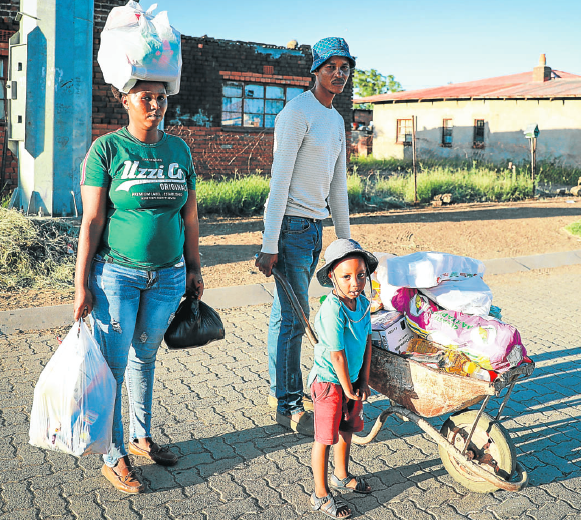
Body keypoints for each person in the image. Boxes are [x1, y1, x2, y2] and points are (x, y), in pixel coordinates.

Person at [73, 80, 203, 494]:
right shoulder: (107, 150)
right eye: (145, 96)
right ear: (124, 99)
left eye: (161, 97)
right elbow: (91, 222)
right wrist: (81, 284)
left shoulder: (179, 150)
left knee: (144, 356)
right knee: (112, 368)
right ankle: (113, 455)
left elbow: (191, 217)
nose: (155, 104)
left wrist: (195, 268)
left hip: (168, 275)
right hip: (117, 275)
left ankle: (141, 436)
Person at [255, 37, 355, 435]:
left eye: (345, 68)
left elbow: (338, 187)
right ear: (315, 70)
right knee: (293, 320)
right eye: (331, 66)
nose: (339, 74)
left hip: (315, 231)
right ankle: (288, 404)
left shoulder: (336, 120)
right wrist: (268, 243)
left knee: (289, 316)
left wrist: (346, 247)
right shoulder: (296, 114)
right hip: (291, 229)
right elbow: (278, 183)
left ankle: (283, 390)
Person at [308, 239, 377, 519]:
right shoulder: (332, 309)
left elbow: (368, 343)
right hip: (329, 383)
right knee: (325, 438)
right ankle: (320, 495)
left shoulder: (363, 304)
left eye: (360, 275)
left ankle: (340, 474)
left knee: (347, 429)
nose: (355, 283)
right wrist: (348, 388)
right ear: (332, 277)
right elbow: (337, 355)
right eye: (347, 277)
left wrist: (363, 380)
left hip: (351, 382)